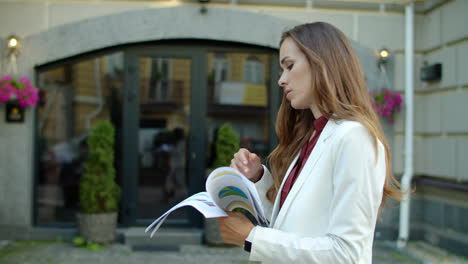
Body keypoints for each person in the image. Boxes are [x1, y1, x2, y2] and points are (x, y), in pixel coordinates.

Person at [218, 22, 402, 263]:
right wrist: (257, 179)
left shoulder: (353, 137)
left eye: (290, 66)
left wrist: (252, 237)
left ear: (321, 64)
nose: (281, 80)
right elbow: (292, 224)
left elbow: (347, 254)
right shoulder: (313, 136)